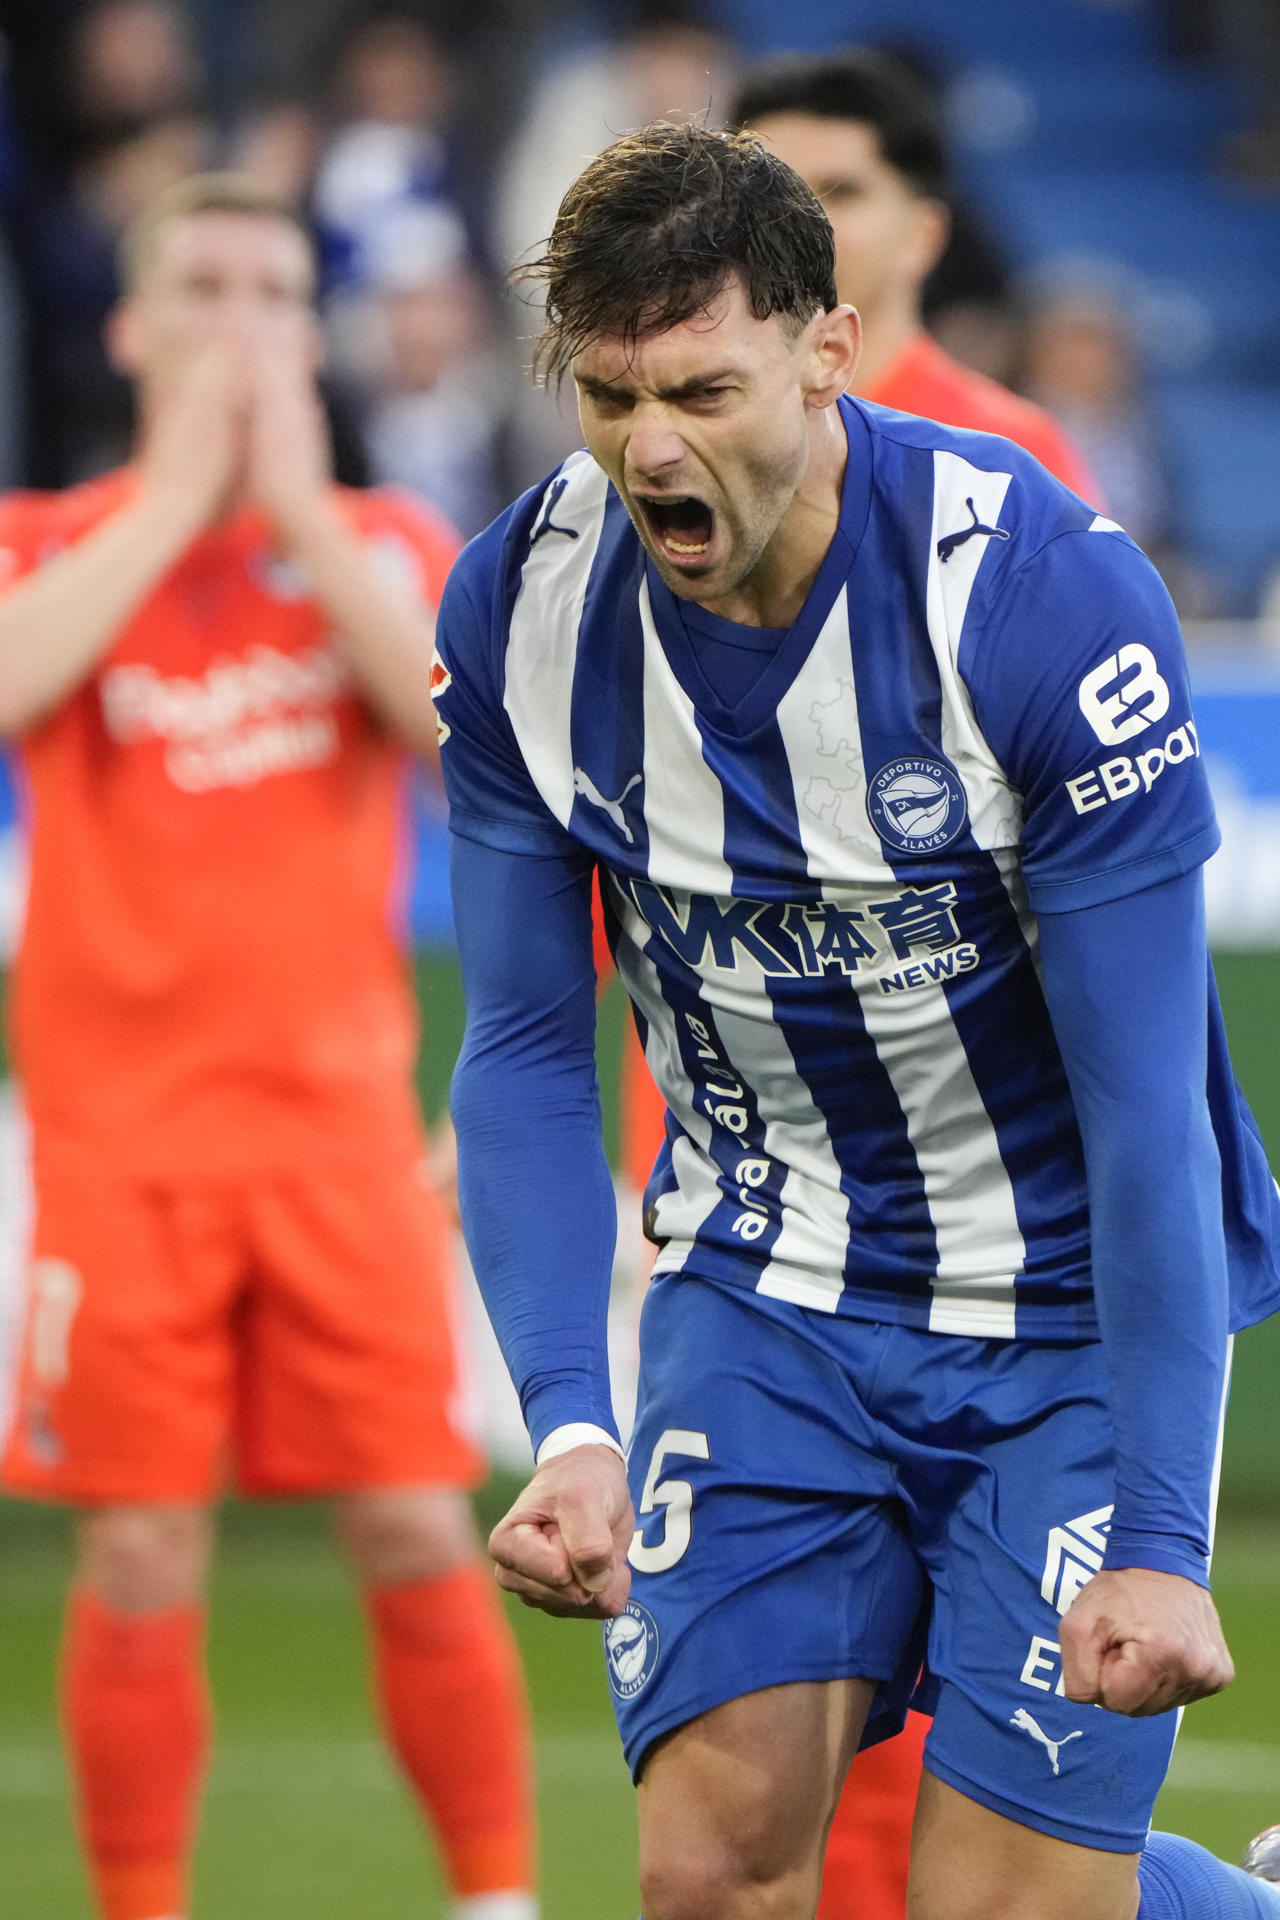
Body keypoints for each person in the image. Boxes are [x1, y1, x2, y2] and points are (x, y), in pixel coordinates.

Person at [434, 122, 1280, 1920]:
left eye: (703, 389)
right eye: (609, 393)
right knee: (707, 1882)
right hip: (766, 1301)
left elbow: (1152, 1115)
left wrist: (1159, 1538)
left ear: (829, 352)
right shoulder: (525, 605)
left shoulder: (1034, 597)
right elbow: (520, 1044)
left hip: (1057, 1315)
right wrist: (572, 1422)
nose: (649, 445)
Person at [0, 172, 535, 1920]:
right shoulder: (48, 535)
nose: (242, 324)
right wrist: (173, 503)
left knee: (410, 1525)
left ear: (316, 335)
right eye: (206, 287)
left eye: (275, 294)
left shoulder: (375, 542)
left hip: (336, 1141)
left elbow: (453, 741)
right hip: (117, 1149)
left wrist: (294, 510)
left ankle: (496, 1898)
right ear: (131, 328)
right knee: (144, 1548)